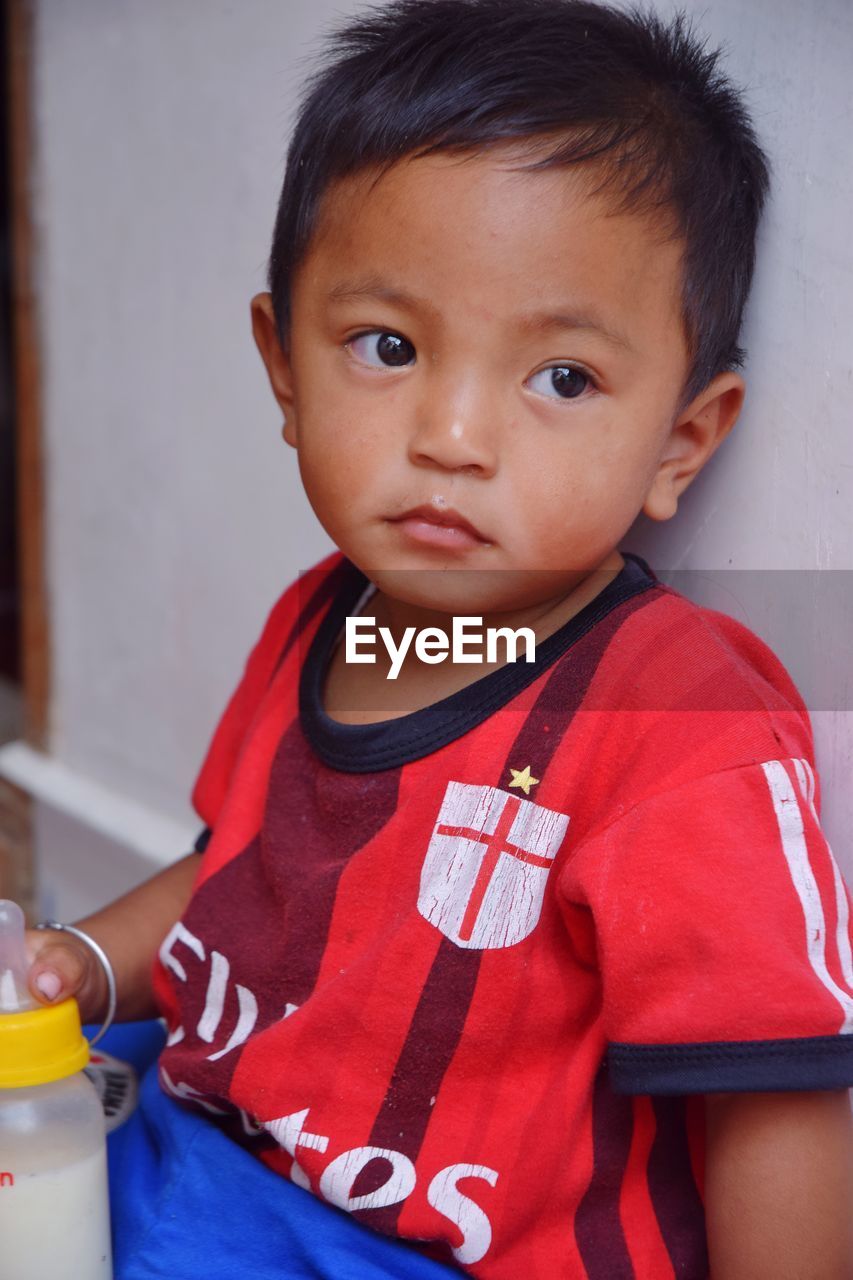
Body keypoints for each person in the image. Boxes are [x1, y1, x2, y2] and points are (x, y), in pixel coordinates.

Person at [23, 1, 853, 1276]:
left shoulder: (676, 715)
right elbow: (230, 878)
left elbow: (774, 1100)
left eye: (561, 376)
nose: (452, 434)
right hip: (225, 1150)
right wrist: (77, 963)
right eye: (388, 346)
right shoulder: (316, 610)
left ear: (681, 442)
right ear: (285, 370)